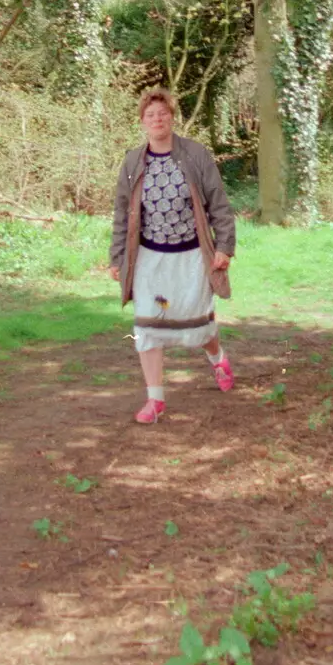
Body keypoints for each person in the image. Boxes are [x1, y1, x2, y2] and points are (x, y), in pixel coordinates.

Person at [109, 88, 236, 424]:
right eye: (150, 115)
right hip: (150, 258)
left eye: (162, 113)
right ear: (142, 122)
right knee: (147, 324)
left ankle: (217, 358)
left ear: (171, 117)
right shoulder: (133, 161)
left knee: (198, 325)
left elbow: (218, 203)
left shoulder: (195, 154)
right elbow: (123, 213)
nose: (157, 119)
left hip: (192, 256)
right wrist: (117, 257)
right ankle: (155, 399)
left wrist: (224, 247)